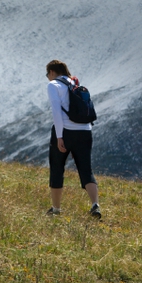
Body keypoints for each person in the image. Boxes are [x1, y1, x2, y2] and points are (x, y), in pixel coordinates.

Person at [45, 59, 100, 218]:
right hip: (85, 130)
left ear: (52, 72)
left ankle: (56, 209)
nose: (48, 77)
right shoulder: (75, 84)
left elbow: (56, 111)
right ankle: (95, 205)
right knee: (85, 169)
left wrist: (60, 136)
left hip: (66, 131)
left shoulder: (53, 85)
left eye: (47, 74)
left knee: (57, 168)